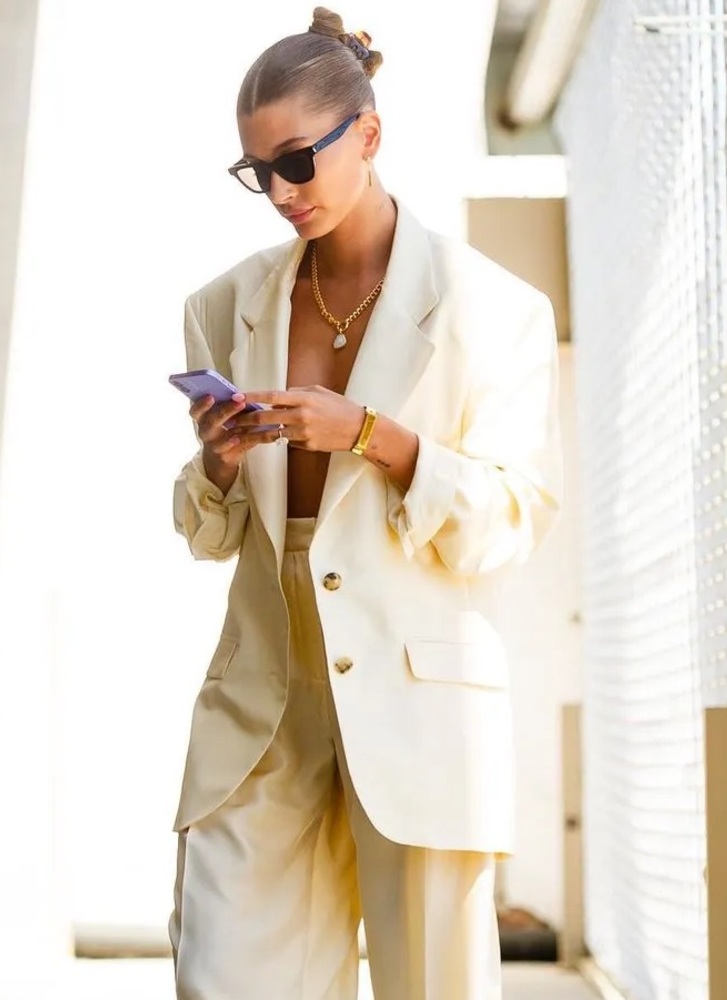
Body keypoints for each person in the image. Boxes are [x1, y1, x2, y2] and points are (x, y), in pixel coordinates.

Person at [169, 8, 561, 999]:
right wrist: (214, 467)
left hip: (419, 696)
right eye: (258, 170)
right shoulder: (223, 306)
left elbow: (511, 519)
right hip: (264, 701)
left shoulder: (494, 309)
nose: (280, 191)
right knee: (223, 975)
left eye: (297, 159)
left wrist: (376, 437)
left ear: (369, 136)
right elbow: (208, 533)